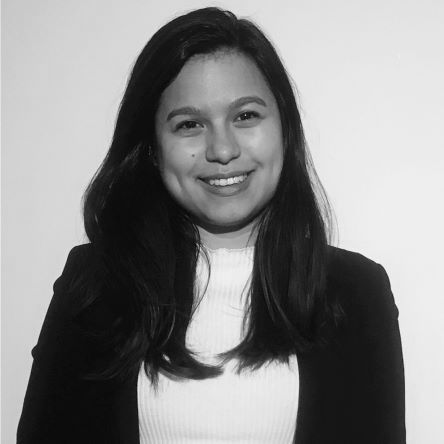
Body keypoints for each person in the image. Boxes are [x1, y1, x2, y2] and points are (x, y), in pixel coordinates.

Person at [17, 7, 406, 444]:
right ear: (152, 149)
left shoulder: (358, 292)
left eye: (246, 116)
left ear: (285, 129)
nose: (222, 149)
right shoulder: (94, 286)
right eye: (189, 124)